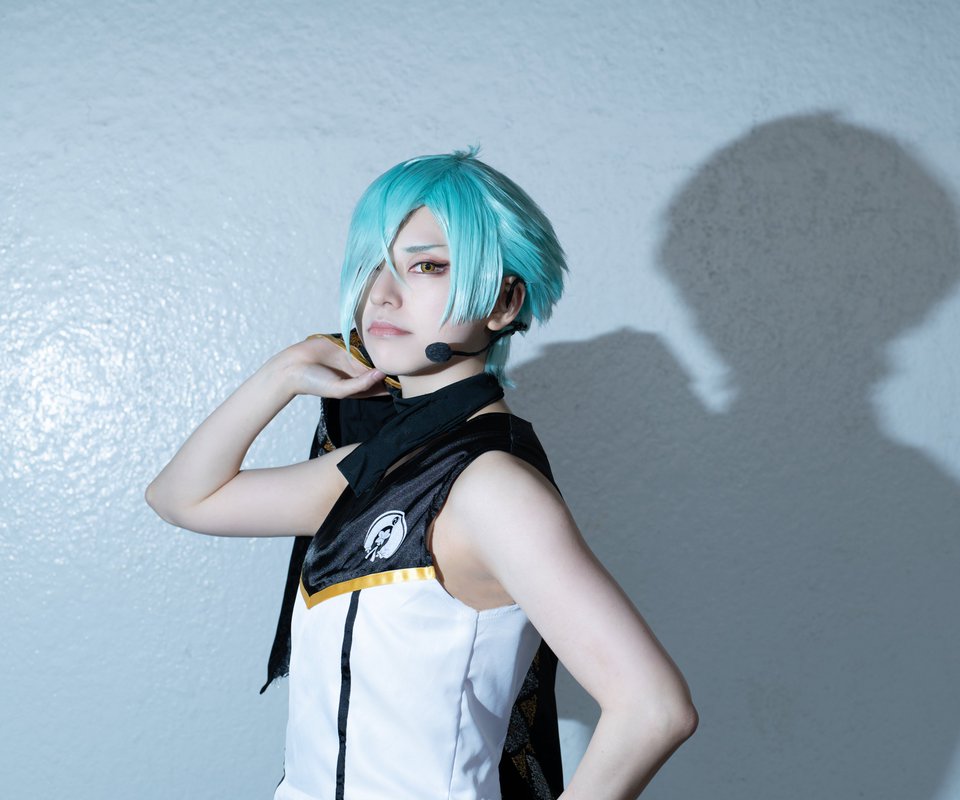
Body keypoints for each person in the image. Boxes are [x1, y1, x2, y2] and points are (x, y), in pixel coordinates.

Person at [145, 146, 698, 800]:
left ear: (503, 301)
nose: (382, 292)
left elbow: (653, 708)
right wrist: (285, 371)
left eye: (427, 265)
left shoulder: (490, 487)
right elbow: (183, 498)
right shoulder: (376, 465)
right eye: (371, 265)